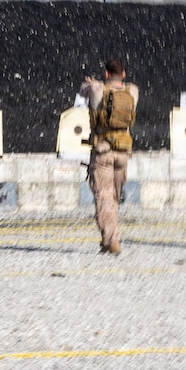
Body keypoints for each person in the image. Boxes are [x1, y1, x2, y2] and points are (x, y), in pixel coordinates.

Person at [80, 59, 139, 256]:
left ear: (106, 74)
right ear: (123, 74)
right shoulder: (132, 91)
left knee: (104, 196)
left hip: (103, 151)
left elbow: (83, 92)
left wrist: (91, 83)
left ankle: (111, 240)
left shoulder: (98, 89)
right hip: (123, 152)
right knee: (114, 196)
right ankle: (111, 237)